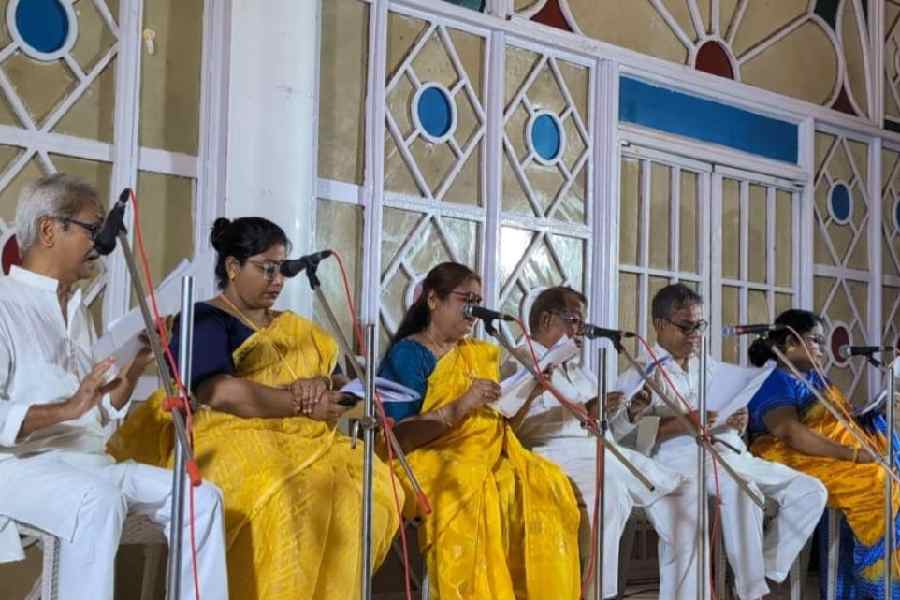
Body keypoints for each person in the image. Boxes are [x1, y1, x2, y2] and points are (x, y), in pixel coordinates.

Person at [108, 217, 401, 600]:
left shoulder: (297, 328)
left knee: (363, 490)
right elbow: (218, 392)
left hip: (310, 440)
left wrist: (325, 386)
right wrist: (297, 403)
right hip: (227, 434)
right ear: (233, 267)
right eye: (267, 269)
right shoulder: (207, 318)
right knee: (292, 497)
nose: (278, 280)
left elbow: (342, 382)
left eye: (281, 270)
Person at [0, 174, 228, 599]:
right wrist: (67, 408)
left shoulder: (78, 309)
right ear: (50, 229)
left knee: (202, 499)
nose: (103, 242)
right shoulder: (4, 302)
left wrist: (140, 359)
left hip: (88, 462)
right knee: (99, 501)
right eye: (94, 228)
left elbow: (96, 412)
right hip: (19, 465)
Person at [378, 261, 581, 600]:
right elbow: (398, 437)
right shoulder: (409, 354)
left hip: (487, 453)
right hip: (426, 459)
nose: (474, 311)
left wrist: (529, 394)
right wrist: (458, 406)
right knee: (472, 487)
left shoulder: (478, 354)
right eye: (466, 301)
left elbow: (500, 426)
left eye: (478, 301)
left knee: (548, 485)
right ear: (433, 300)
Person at [616, 284, 826, 599]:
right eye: (686, 327)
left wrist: (737, 421)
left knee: (811, 490)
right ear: (660, 325)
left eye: (700, 326)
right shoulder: (641, 374)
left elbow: (726, 411)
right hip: (678, 459)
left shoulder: (710, 367)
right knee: (740, 490)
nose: (695, 334)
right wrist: (685, 423)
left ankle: (764, 571)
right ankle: (751, 591)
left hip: (730, 453)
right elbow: (633, 441)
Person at [500, 286, 691, 599]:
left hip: (601, 449)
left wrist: (629, 412)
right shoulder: (519, 360)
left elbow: (607, 429)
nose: (582, 331)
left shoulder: (579, 369)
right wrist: (581, 412)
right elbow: (512, 423)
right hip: (551, 453)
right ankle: (600, 594)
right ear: (546, 319)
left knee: (684, 493)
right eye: (574, 320)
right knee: (609, 489)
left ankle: (684, 593)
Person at [747, 308, 900, 599]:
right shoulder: (773, 380)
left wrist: (871, 413)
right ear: (790, 344)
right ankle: (879, 585)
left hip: (833, 457)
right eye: (816, 340)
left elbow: (838, 421)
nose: (823, 348)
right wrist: (852, 454)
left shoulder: (817, 380)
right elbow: (789, 432)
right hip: (798, 459)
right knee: (879, 480)